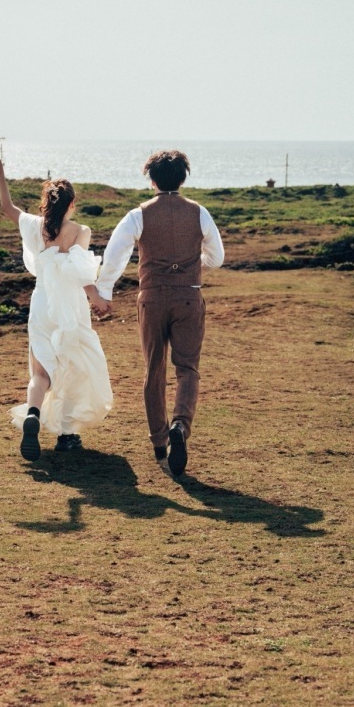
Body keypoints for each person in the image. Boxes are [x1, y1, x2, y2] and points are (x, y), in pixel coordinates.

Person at [95, 150, 224, 476]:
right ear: (183, 178)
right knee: (187, 369)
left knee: (154, 370)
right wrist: (196, 266)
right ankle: (181, 426)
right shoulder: (199, 213)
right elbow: (217, 257)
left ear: (151, 179)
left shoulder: (138, 215)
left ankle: (159, 441)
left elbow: (115, 254)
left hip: (151, 299)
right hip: (189, 298)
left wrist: (104, 292)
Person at [0, 154, 112, 459]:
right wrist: (96, 296)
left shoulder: (34, 226)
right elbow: (79, 273)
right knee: (72, 366)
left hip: (42, 303)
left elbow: (8, 208)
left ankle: (33, 412)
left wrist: (0, 171)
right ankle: (67, 436)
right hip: (69, 305)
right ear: (71, 204)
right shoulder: (80, 232)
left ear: (46, 202)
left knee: (41, 371)